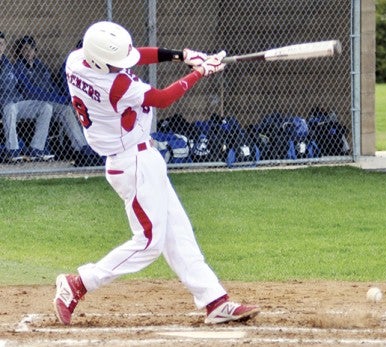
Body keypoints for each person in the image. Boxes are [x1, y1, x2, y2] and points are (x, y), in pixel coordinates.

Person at [53, 21, 260, 326]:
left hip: (141, 158)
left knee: (178, 234)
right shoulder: (116, 86)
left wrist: (183, 55)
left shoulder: (77, 60)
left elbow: (136, 54)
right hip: (132, 164)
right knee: (149, 241)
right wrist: (200, 72)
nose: (123, 64)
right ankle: (79, 283)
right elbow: (162, 99)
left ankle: (214, 301)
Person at [13, 35, 98, 164]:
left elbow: (52, 86)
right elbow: (30, 92)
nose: (28, 52)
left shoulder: (40, 66)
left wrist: (59, 98)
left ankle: (82, 147)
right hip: (32, 103)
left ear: (35, 50)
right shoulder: (18, 67)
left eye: (30, 49)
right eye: (24, 49)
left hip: (50, 101)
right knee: (60, 107)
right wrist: (58, 99)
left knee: (66, 110)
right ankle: (80, 148)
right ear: (20, 52)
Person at [0, 31, 54, 162]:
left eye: (1, 44)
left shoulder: (7, 63)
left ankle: (37, 149)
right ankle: (12, 151)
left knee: (46, 107)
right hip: (4, 105)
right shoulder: (17, 65)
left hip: (17, 102)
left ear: (5, 46)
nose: (0, 47)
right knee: (10, 108)